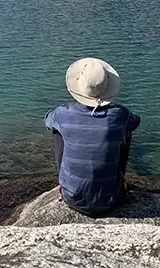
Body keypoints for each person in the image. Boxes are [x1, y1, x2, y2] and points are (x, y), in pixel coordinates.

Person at [44, 57, 141, 216]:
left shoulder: (63, 114)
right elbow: (136, 121)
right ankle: (121, 178)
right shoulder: (120, 114)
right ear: (108, 86)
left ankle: (63, 183)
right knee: (126, 129)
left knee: (57, 130)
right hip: (112, 199)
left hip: (72, 198)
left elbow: (47, 120)